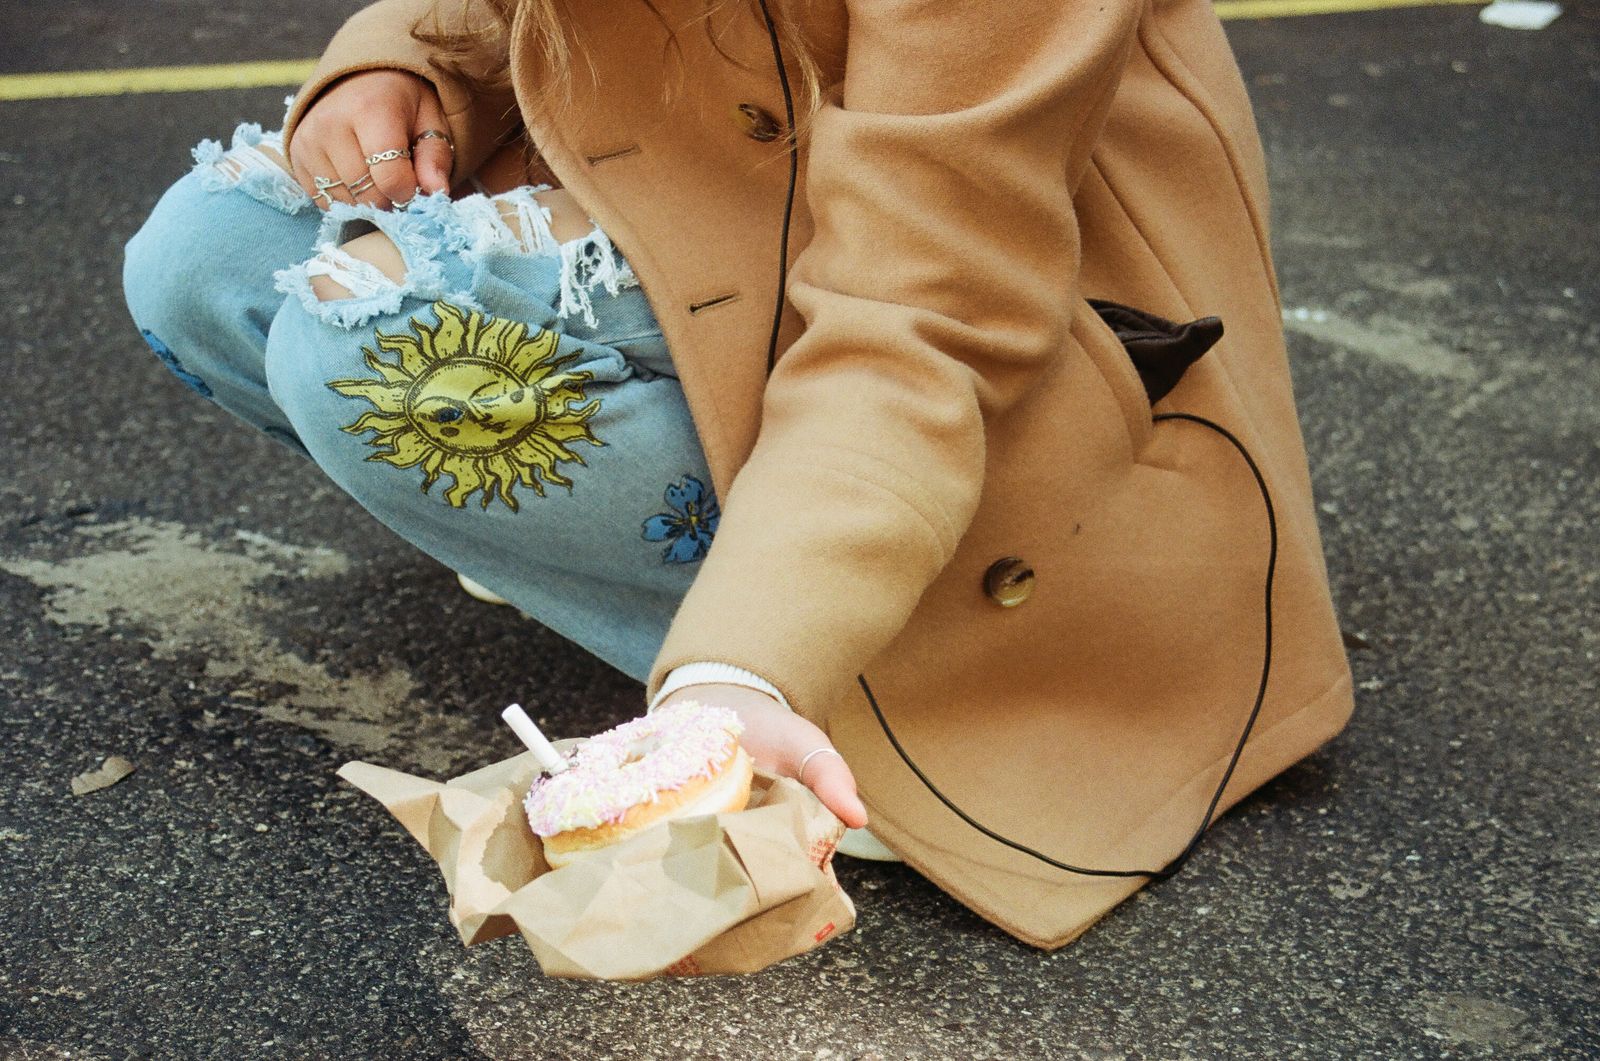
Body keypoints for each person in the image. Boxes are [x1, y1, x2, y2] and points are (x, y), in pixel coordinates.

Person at [122, 0, 1355, 947]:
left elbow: (921, 310)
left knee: (373, 358)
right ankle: (649, 554)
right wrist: (403, 65)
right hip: (708, 197)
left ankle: (833, 655)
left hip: (970, 308)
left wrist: (748, 662)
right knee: (202, 258)